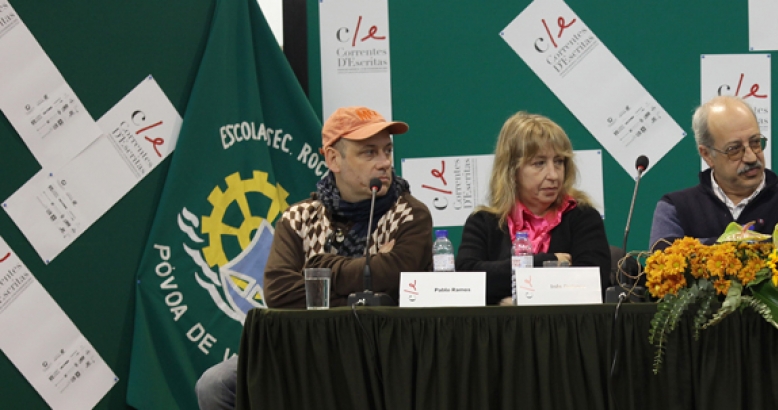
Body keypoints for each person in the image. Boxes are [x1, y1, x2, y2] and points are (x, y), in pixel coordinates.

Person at [195, 106, 434, 410]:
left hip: (381, 350)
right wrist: (361, 292)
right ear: (333, 159)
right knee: (215, 385)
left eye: (387, 151)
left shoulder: (410, 215)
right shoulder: (299, 217)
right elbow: (279, 293)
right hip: (303, 347)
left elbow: (394, 279)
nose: (385, 163)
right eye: (369, 153)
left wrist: (321, 267)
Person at [456, 112, 611, 306]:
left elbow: (591, 283)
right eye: (539, 163)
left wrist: (510, 292)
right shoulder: (483, 222)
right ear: (512, 170)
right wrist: (547, 262)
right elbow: (466, 280)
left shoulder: (582, 217)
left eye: (559, 162)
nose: (553, 175)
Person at [649, 96, 778, 248]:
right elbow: (664, 257)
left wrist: (701, 245)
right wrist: (761, 244)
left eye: (755, 142)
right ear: (707, 154)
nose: (751, 157)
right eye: (734, 149)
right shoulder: (675, 207)